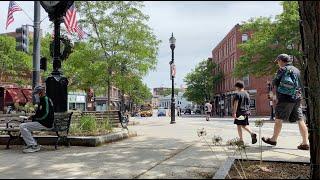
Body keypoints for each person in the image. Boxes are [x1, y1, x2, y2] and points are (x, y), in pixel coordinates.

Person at [262, 54, 309, 150]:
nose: (278, 63)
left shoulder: (282, 69)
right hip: (297, 98)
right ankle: (305, 142)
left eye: (278, 61)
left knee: (278, 118)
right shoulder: (297, 70)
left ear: (281, 61)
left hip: (285, 98)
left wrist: (271, 83)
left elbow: (275, 82)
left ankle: (273, 139)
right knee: (300, 120)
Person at [19, 85, 54, 153]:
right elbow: (41, 113)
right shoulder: (42, 100)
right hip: (43, 122)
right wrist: (33, 117)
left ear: (41, 92)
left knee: (23, 126)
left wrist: (35, 118)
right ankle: (33, 144)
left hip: (45, 123)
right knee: (24, 126)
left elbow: (46, 114)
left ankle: (33, 146)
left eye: (36, 93)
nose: (36, 95)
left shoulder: (45, 99)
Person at [232, 80, 257, 145]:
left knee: (239, 126)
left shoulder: (238, 94)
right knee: (244, 125)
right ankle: (252, 133)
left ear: (237, 87)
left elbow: (236, 103)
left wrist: (234, 113)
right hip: (246, 112)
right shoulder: (247, 94)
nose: (236, 88)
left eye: (236, 87)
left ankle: (241, 140)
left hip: (239, 112)